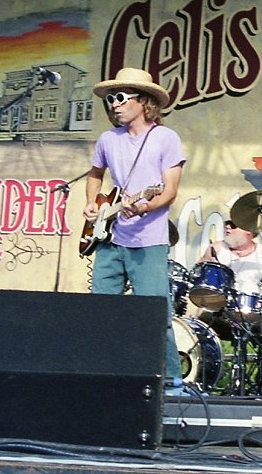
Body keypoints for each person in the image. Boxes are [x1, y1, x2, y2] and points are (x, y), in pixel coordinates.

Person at [84, 67, 185, 391]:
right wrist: (93, 204)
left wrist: (144, 206)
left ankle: (171, 379)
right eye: (111, 99)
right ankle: (103, 375)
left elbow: (168, 191)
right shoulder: (107, 140)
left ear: (144, 101)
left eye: (121, 97)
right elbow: (95, 175)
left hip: (148, 239)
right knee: (102, 311)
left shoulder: (165, 138)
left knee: (154, 313)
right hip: (110, 237)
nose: (114, 104)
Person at [196, 219, 262, 320]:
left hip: (250, 312)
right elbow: (197, 274)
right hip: (216, 309)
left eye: (233, 225)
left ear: (249, 231)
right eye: (227, 224)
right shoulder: (216, 249)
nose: (228, 227)